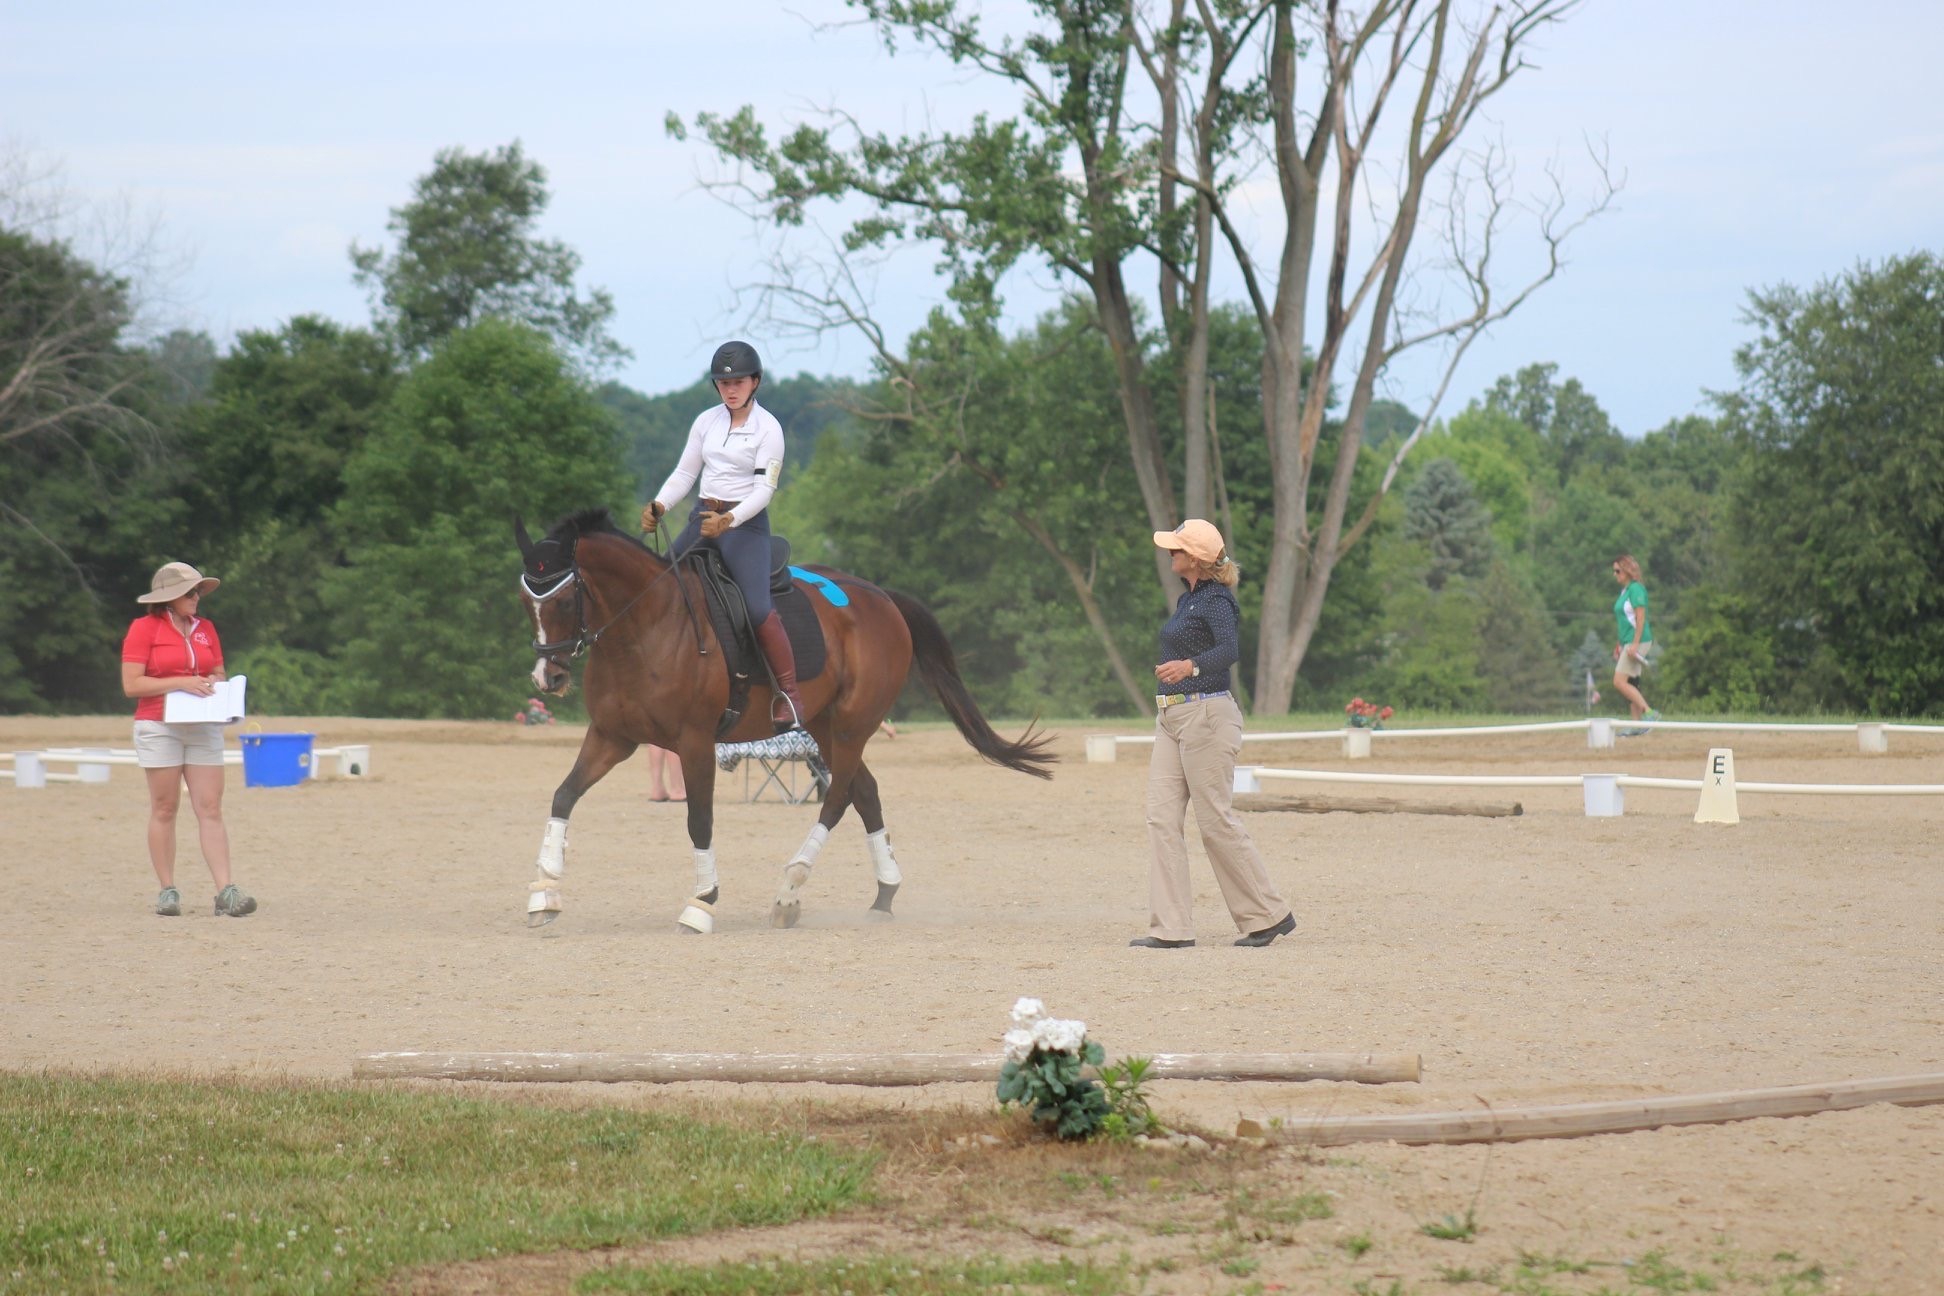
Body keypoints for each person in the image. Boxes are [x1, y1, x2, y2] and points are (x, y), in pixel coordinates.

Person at [1132, 520, 1296, 950]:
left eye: (1176, 549)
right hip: (1170, 719)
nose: (1169, 554)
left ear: (1197, 559)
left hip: (1206, 714)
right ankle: (1171, 927)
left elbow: (1229, 650)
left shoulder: (1218, 600)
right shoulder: (1188, 601)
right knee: (1161, 818)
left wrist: (1190, 666)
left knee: (1214, 821)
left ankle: (1267, 914)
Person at [639, 340, 804, 732]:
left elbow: (765, 491)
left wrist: (728, 520)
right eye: (723, 383)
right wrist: (660, 505)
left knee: (757, 607)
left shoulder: (770, 429)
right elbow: (684, 474)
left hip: (744, 526)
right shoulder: (705, 422)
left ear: (755, 382)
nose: (730, 389)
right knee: (661, 585)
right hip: (702, 516)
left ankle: (790, 696)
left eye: (739, 382)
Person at [120, 562, 256, 918]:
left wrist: (218, 689)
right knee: (165, 808)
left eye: (198, 592)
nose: (198, 598)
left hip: (203, 726)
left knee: (210, 807)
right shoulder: (143, 629)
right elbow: (132, 685)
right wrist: (180, 682)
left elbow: (217, 670)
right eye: (191, 592)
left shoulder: (206, 629)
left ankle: (225, 890)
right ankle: (167, 890)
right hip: (159, 724)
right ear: (170, 597)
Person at [1610, 553, 1661, 738]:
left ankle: (1649, 713)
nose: (1615, 575)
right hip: (1628, 641)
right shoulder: (1625, 591)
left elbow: (1640, 618)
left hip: (1638, 641)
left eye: (1617, 571)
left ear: (1627, 570)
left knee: (1619, 681)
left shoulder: (1636, 589)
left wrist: (1635, 644)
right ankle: (1636, 724)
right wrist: (1620, 644)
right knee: (1632, 682)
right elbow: (1625, 620)